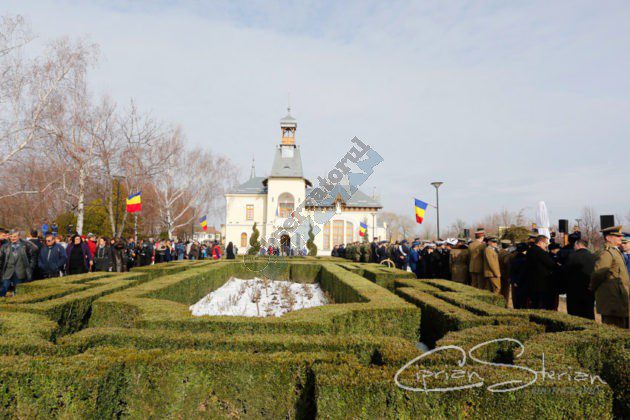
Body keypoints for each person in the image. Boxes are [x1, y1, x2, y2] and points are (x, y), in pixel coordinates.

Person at [589, 226, 629, 328]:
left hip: (619, 300)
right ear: (608, 238)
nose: (621, 238)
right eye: (617, 236)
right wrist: (592, 287)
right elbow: (598, 273)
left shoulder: (615, 251)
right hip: (613, 300)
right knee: (614, 329)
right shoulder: (607, 253)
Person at [563, 239, 595, 320]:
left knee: (574, 314)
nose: (574, 247)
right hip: (589, 290)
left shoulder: (572, 256)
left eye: (574, 245)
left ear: (578, 245)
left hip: (573, 291)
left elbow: (565, 272)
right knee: (589, 313)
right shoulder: (593, 256)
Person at [0, 230, 38, 297]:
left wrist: (31, 266)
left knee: (17, 290)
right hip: (7, 272)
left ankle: (16, 301)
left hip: (20, 272)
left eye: (15, 236)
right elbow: (0, 258)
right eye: (11, 236)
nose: (12, 238)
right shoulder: (5, 246)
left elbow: (34, 252)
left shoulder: (25, 245)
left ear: (19, 236)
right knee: (3, 288)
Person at [526, 235, 558, 310]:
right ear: (540, 242)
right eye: (545, 243)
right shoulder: (540, 252)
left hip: (531, 281)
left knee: (534, 304)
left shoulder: (530, 250)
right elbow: (551, 264)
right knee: (541, 304)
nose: (546, 246)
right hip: (542, 283)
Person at [510, 243, 529, 309]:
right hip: (523, 281)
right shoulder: (525, 259)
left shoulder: (515, 257)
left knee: (517, 298)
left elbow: (512, 270)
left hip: (516, 281)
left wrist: (514, 281)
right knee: (523, 300)